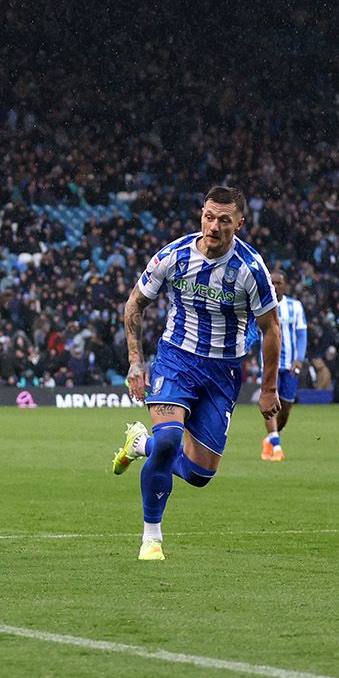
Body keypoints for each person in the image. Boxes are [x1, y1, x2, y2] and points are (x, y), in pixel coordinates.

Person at [112, 187, 281, 561]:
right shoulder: (174, 255)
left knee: (199, 474)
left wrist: (269, 389)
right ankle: (151, 538)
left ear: (240, 222)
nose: (214, 226)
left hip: (223, 371)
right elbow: (134, 304)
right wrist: (136, 362)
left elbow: (271, 328)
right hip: (177, 359)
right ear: (201, 215)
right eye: (209, 216)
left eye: (224, 220)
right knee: (170, 439)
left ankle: (140, 445)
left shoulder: (251, 269)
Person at [259, 269, 307, 462]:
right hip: (270, 365)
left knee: (285, 408)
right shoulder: (261, 305)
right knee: (270, 403)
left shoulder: (295, 307)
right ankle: (276, 444)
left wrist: (299, 359)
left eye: (279, 283)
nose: (275, 286)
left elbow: (302, 335)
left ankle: (271, 438)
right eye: (272, 282)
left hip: (290, 366)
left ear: (285, 286)